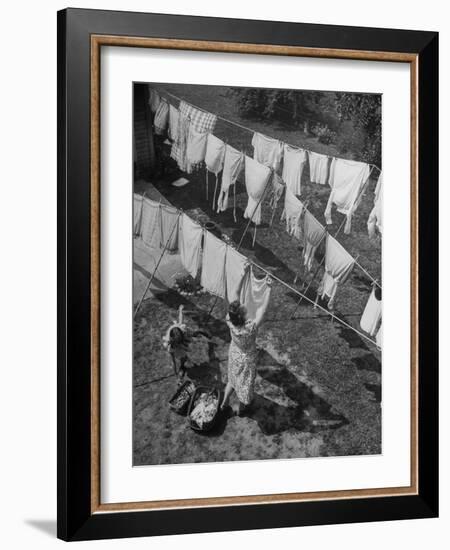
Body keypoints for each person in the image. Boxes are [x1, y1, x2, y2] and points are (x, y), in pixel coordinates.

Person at [220, 273, 272, 415]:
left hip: (234, 353)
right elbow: (263, 309)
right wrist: (268, 288)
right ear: (243, 317)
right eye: (244, 309)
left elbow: (235, 293)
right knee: (244, 387)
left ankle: (224, 403)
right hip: (247, 361)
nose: (245, 306)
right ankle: (241, 410)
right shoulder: (250, 329)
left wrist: (243, 274)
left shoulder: (230, 321)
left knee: (232, 379)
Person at [162, 305, 210, 382]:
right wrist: (176, 375)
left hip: (185, 335)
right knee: (183, 357)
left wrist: (180, 311)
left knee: (194, 334)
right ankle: (183, 366)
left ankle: (201, 332)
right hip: (180, 344)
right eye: (179, 342)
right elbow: (173, 361)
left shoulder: (181, 330)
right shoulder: (170, 347)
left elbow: (180, 320)